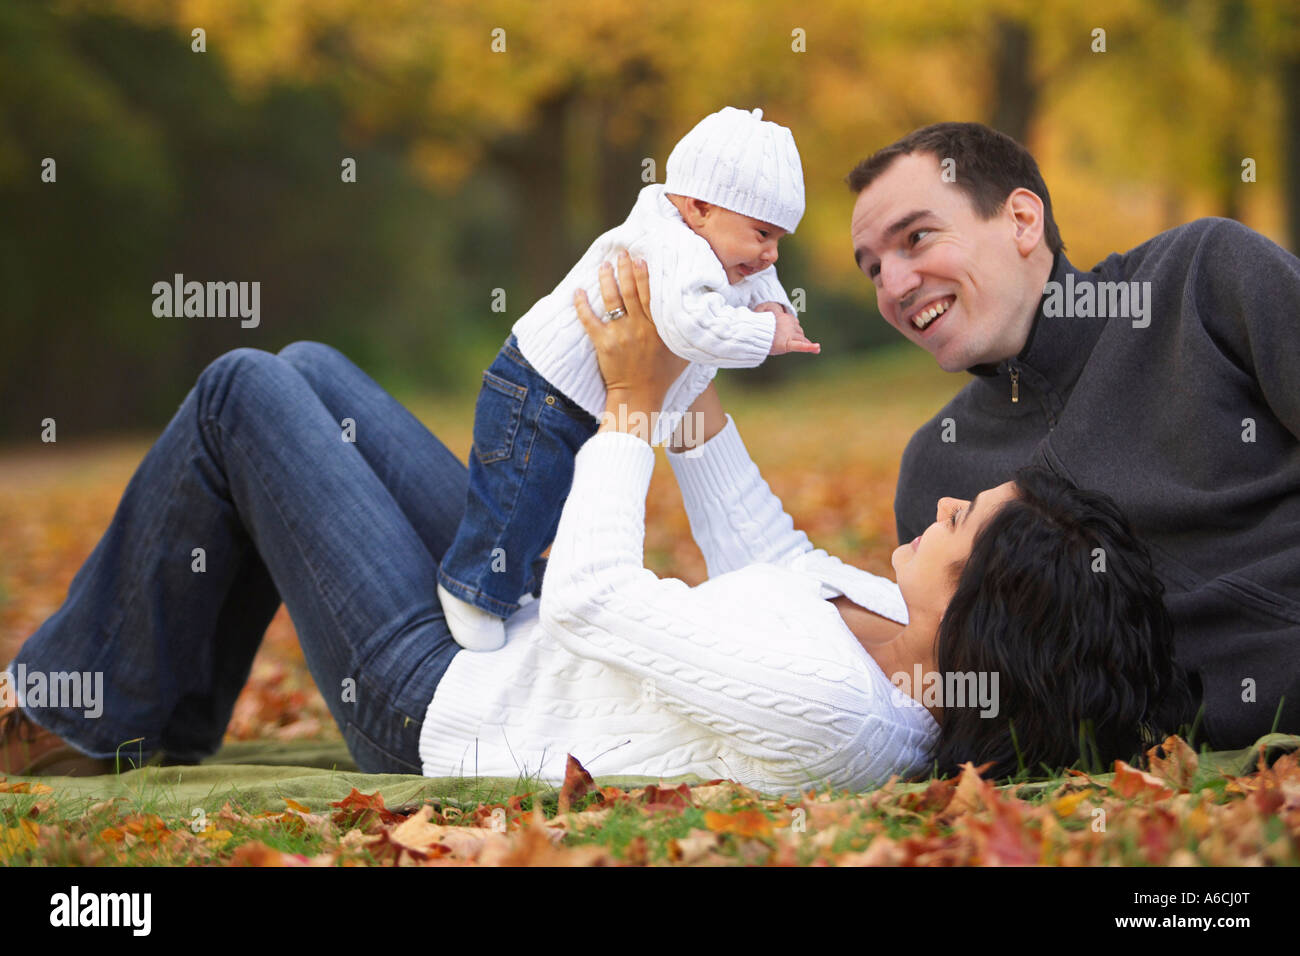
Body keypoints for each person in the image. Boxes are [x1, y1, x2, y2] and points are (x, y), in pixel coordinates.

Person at [2, 252, 1189, 792]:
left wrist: (624, 406)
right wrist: (688, 378)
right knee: (308, 367)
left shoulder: (839, 719)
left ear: (989, 606)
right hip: (512, 640)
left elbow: (594, 598)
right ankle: (152, 708)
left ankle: (77, 707)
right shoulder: (888, 617)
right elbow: (767, 557)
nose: (944, 499)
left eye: (968, 519)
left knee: (243, 394)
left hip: (438, 706)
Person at [845, 121, 1300, 752]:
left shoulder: (1200, 281)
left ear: (1022, 221)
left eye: (916, 238)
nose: (894, 288)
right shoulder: (938, 469)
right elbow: (961, 706)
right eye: (873, 271)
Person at [434, 106, 819, 654]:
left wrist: (775, 304)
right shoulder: (672, 248)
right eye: (762, 233)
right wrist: (767, 335)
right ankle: (472, 587)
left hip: (576, 401)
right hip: (537, 391)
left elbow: (761, 275)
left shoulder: (712, 236)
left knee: (550, 502)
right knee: (520, 495)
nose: (770, 254)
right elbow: (692, 328)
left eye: (779, 237)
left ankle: (509, 579)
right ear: (701, 207)